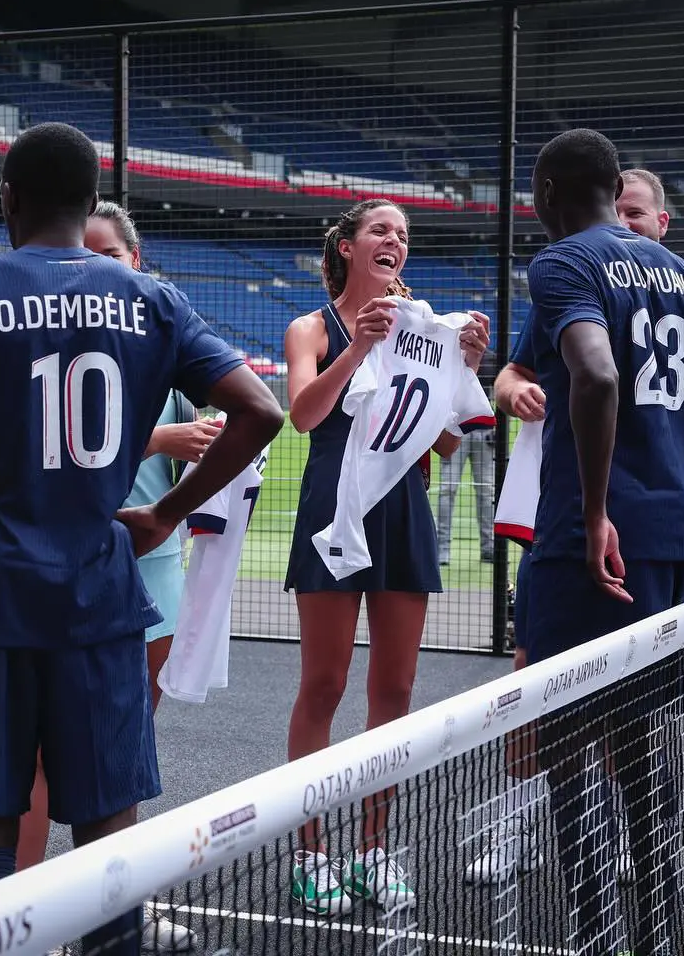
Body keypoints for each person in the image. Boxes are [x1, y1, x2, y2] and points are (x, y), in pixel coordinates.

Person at [0, 122, 285, 956]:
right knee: (108, 817)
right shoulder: (151, 299)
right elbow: (262, 410)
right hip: (100, 596)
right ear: (90, 207)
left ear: (8, 200)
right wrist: (166, 512)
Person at [522, 129, 684, 954]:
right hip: (667, 537)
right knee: (640, 739)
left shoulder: (564, 263)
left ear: (553, 189)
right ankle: (655, 933)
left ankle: (594, 935)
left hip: (589, 538)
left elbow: (594, 375)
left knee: (565, 748)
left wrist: (593, 512)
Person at [281, 197, 490, 917]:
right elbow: (303, 414)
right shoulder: (310, 327)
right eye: (380, 230)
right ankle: (311, 853)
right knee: (325, 685)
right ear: (346, 245)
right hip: (330, 506)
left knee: (394, 690)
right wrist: (359, 348)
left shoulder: (424, 327)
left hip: (402, 511)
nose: (394, 240)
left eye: (403, 234)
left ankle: (374, 849)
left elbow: (448, 444)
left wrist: (464, 369)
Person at [14, 199, 212, 951]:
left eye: (109, 255)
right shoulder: (39, 340)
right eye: (82, 254)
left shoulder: (166, 336)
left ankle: (108, 911)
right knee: (37, 752)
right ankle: (23, 920)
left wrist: (197, 461)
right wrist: (163, 434)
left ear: (137, 260)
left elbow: (236, 429)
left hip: (152, 566)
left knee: (118, 759)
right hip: (59, 564)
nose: (91, 270)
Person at [436, 344, 498, 565]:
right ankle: (442, 549)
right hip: (455, 430)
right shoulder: (450, 357)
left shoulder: (492, 359)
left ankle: (489, 547)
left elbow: (498, 394)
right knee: (447, 489)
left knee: (486, 491)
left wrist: (497, 428)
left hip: (484, 434)